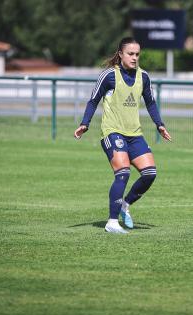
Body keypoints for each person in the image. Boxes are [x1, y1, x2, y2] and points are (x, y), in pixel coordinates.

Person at [74, 37, 172, 234]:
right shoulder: (109, 76)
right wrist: (85, 123)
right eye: (130, 54)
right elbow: (93, 100)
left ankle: (125, 204)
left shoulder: (143, 77)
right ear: (120, 54)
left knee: (150, 173)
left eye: (137, 54)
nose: (135, 58)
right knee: (123, 173)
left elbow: (151, 103)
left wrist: (159, 125)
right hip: (112, 132)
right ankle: (112, 222)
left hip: (135, 134)